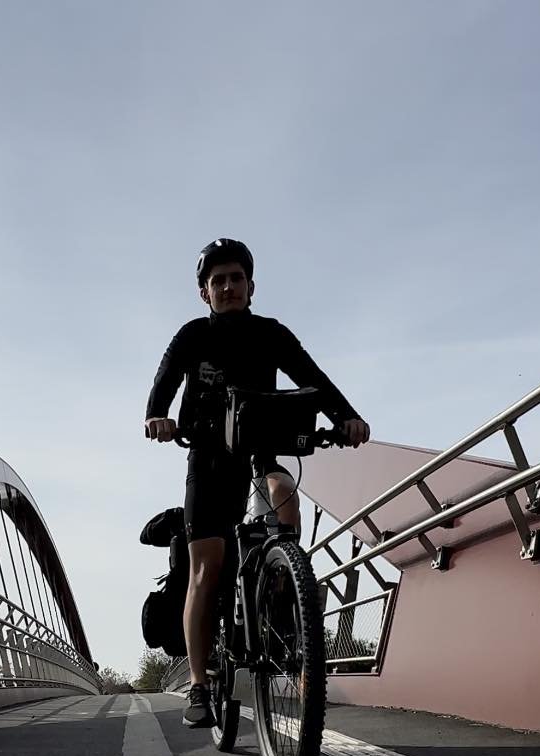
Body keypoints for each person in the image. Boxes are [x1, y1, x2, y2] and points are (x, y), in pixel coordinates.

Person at [143, 238, 371, 727]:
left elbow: (313, 378)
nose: (228, 287)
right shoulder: (192, 336)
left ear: (251, 286)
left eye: (236, 279)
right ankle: (201, 687)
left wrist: (347, 417)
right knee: (208, 566)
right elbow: (163, 384)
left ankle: (283, 609)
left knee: (284, 502)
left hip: (257, 451)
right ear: (205, 292)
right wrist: (157, 416)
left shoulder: (271, 334)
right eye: (217, 280)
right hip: (207, 456)